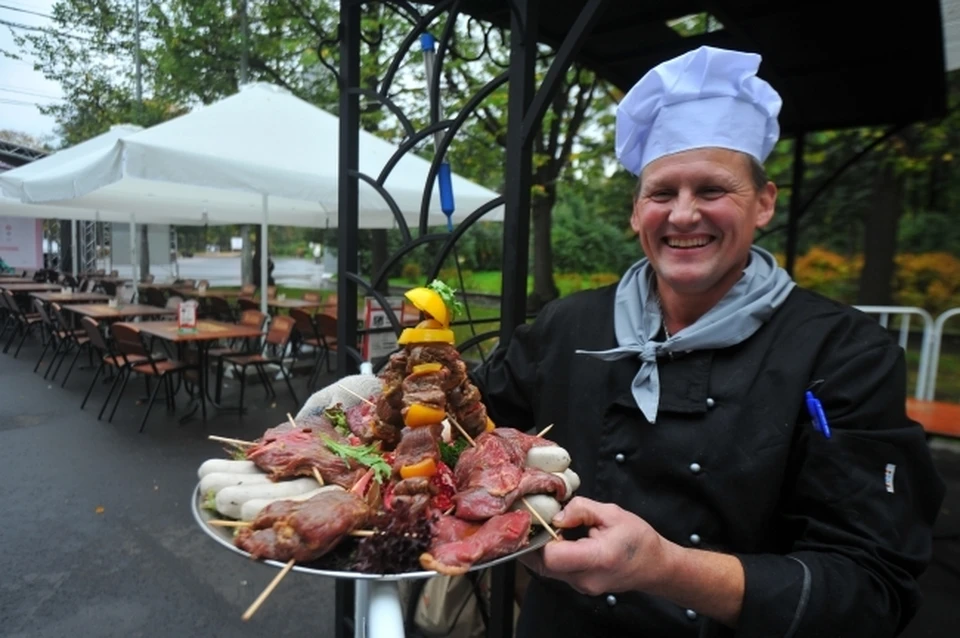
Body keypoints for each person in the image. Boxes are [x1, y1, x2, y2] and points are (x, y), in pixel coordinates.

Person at [465, 45, 946, 637]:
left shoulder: (845, 353)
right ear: (636, 211)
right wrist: (370, 407)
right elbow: (465, 431)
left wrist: (666, 568)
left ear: (764, 202)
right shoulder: (567, 326)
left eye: (713, 190)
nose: (684, 214)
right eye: (662, 193)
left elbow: (871, 591)